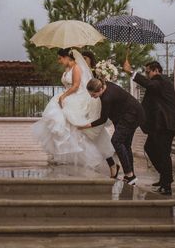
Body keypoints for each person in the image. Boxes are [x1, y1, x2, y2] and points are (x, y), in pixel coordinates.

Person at [32, 48, 118, 176]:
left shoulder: (76, 68)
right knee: (73, 131)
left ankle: (111, 163)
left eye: (60, 58)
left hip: (78, 100)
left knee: (86, 133)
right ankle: (110, 163)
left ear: (67, 57)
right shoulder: (67, 69)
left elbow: (76, 86)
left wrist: (63, 96)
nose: (59, 61)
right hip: (70, 97)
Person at [124, 60, 175, 195]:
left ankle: (167, 185)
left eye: (148, 72)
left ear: (156, 70)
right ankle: (165, 177)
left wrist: (131, 72)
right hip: (159, 125)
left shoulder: (161, 80)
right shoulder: (159, 83)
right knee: (149, 147)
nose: (147, 74)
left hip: (166, 125)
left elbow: (149, 84)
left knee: (163, 154)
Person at [80, 77, 147, 185]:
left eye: (93, 94)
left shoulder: (107, 97)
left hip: (132, 116)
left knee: (116, 141)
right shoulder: (106, 86)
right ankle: (131, 176)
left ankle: (129, 174)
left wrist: (86, 125)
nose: (92, 97)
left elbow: (103, 119)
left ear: (101, 89)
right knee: (125, 144)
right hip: (129, 114)